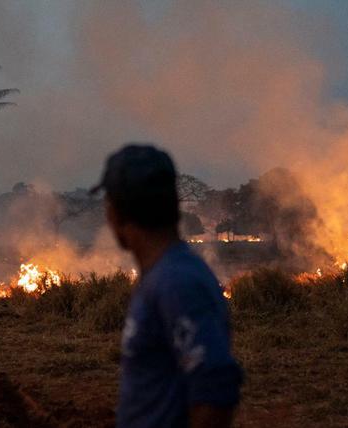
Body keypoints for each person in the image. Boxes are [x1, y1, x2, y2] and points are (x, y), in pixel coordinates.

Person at [90, 144, 243, 428]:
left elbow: (215, 391)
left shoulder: (178, 282)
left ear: (118, 213)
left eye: (108, 203)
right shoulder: (161, 276)